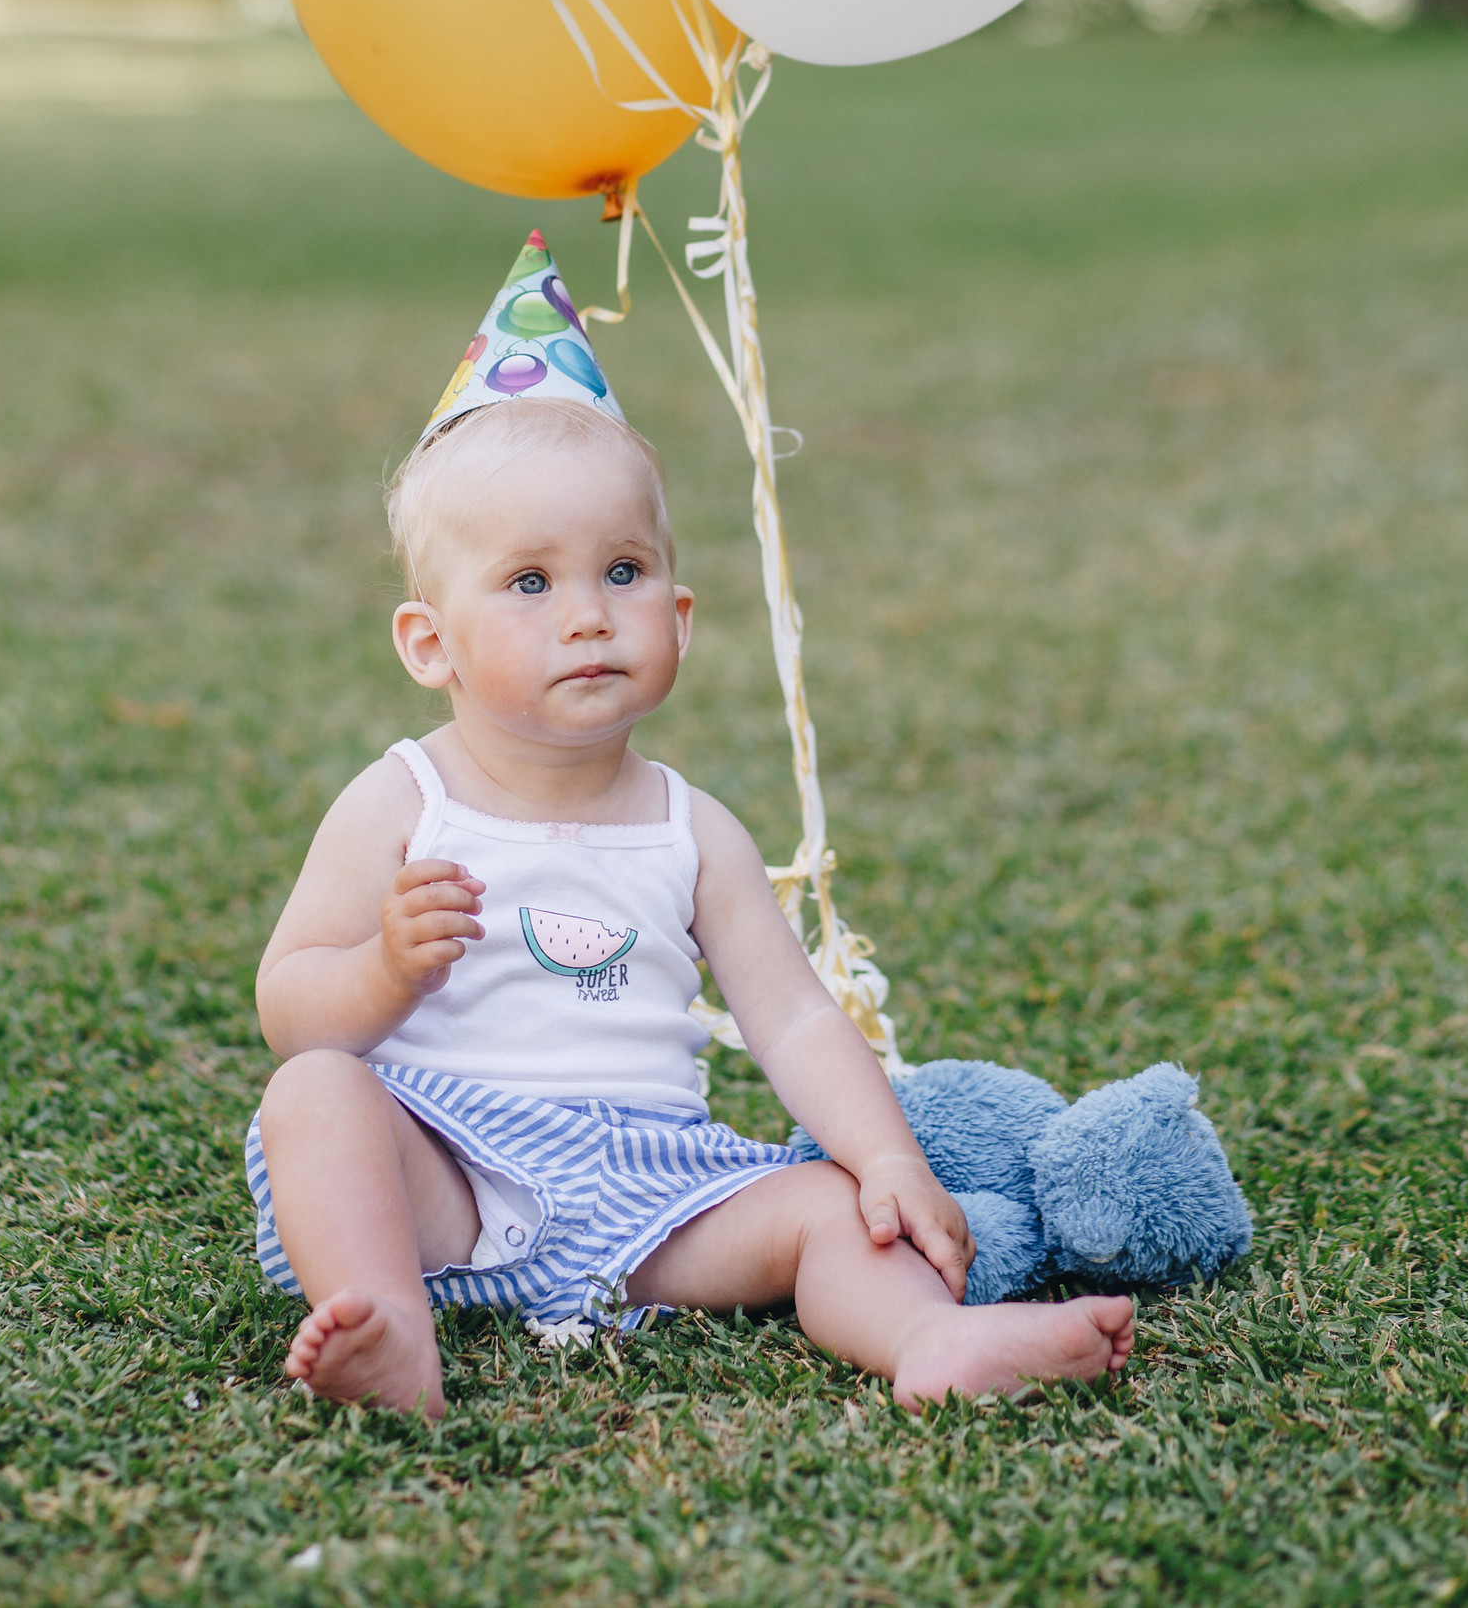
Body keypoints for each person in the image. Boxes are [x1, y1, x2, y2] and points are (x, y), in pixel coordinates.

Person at [245, 232, 1134, 1416]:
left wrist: (883, 1161)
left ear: (680, 612)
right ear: (428, 644)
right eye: (528, 583)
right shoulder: (406, 797)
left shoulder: (690, 827)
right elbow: (290, 1007)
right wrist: (382, 970)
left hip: (658, 1187)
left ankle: (930, 1342)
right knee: (314, 1098)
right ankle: (389, 1322)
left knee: (826, 1208)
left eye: (622, 573)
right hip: (450, 1177)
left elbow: (795, 1018)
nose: (586, 617)